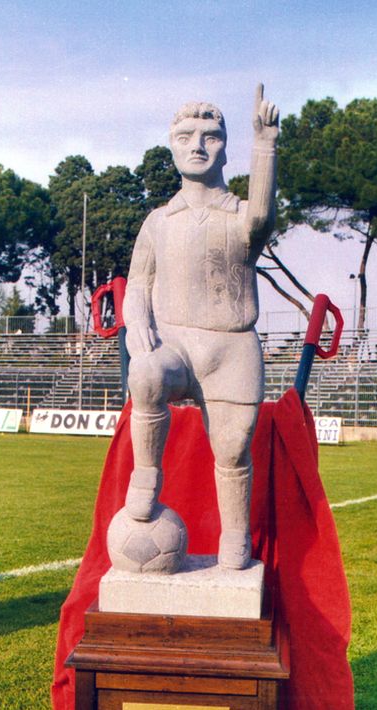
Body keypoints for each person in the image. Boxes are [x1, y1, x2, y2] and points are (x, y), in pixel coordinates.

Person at [123, 85, 279, 569]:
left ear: (225, 148)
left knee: (232, 451)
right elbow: (137, 283)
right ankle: (146, 473)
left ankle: (235, 534)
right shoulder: (158, 221)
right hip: (175, 343)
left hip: (231, 348)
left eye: (210, 136)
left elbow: (263, 216)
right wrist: (135, 323)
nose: (197, 146)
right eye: (185, 136)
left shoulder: (240, 216)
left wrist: (265, 145)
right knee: (145, 374)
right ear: (172, 147)